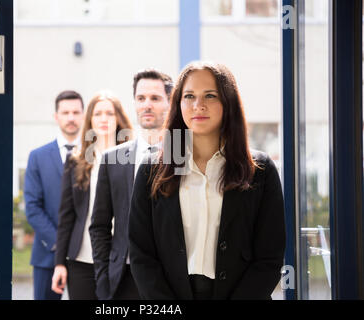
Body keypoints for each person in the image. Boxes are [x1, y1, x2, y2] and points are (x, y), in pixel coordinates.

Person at [129, 61, 286, 300]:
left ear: (228, 102)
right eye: (189, 96)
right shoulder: (152, 170)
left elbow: (269, 256)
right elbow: (141, 254)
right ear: (178, 104)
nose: (198, 105)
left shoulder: (260, 170)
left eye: (210, 96)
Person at [89, 69, 173, 300]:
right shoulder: (112, 159)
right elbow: (99, 226)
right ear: (134, 102)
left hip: (170, 283)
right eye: (141, 98)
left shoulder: (185, 157)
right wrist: (103, 279)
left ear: (169, 102)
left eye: (155, 98)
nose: (147, 105)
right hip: (122, 281)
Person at [51, 92, 133, 299]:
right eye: (97, 114)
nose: (104, 119)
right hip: (82, 259)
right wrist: (60, 263)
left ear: (119, 119)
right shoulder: (76, 160)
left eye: (110, 113)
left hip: (122, 258)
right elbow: (67, 216)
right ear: (90, 120)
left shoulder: (133, 159)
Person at [24, 90, 84, 300]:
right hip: (47, 254)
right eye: (65, 112)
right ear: (56, 116)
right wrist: (59, 242)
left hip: (86, 254)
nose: (71, 118)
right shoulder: (37, 157)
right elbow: (32, 207)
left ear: (83, 115)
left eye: (76, 112)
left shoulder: (94, 155)